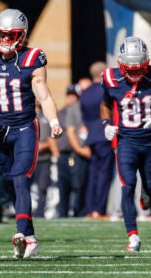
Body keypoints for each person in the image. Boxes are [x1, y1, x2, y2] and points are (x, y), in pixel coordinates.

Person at [0, 8, 62, 260]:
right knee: (11, 182)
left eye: (11, 35)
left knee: (21, 177)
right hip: (1, 132)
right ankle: (31, 237)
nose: (4, 39)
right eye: (1, 34)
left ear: (21, 36)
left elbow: (43, 95)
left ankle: (21, 233)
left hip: (25, 128)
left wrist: (54, 120)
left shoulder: (31, 59)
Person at [101, 36, 151, 252]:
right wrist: (107, 123)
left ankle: (147, 194)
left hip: (149, 142)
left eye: (139, 69)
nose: (134, 74)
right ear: (121, 64)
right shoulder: (110, 78)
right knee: (127, 187)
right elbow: (105, 104)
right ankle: (133, 236)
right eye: (130, 70)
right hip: (126, 142)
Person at [81, 60, 113, 219]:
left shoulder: (85, 93)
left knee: (93, 174)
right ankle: (99, 210)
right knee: (104, 174)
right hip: (105, 134)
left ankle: (90, 208)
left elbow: (85, 117)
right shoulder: (105, 90)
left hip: (92, 135)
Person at [56, 83, 90, 218]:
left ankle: (79, 213)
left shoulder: (82, 111)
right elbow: (52, 136)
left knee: (79, 185)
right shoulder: (60, 113)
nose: (70, 98)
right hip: (63, 154)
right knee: (63, 187)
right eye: (68, 95)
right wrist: (56, 154)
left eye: (73, 96)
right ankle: (62, 214)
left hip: (77, 154)